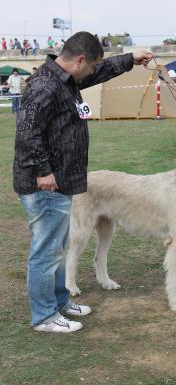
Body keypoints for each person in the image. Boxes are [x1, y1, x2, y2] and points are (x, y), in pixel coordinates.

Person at [13, 31, 153, 334]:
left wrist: (131, 59)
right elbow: (27, 132)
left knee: (59, 247)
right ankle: (44, 316)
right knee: (46, 251)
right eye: (89, 67)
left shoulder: (66, 79)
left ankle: (61, 302)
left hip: (62, 182)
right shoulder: (44, 86)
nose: (91, 72)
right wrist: (42, 171)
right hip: (44, 185)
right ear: (79, 60)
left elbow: (100, 71)